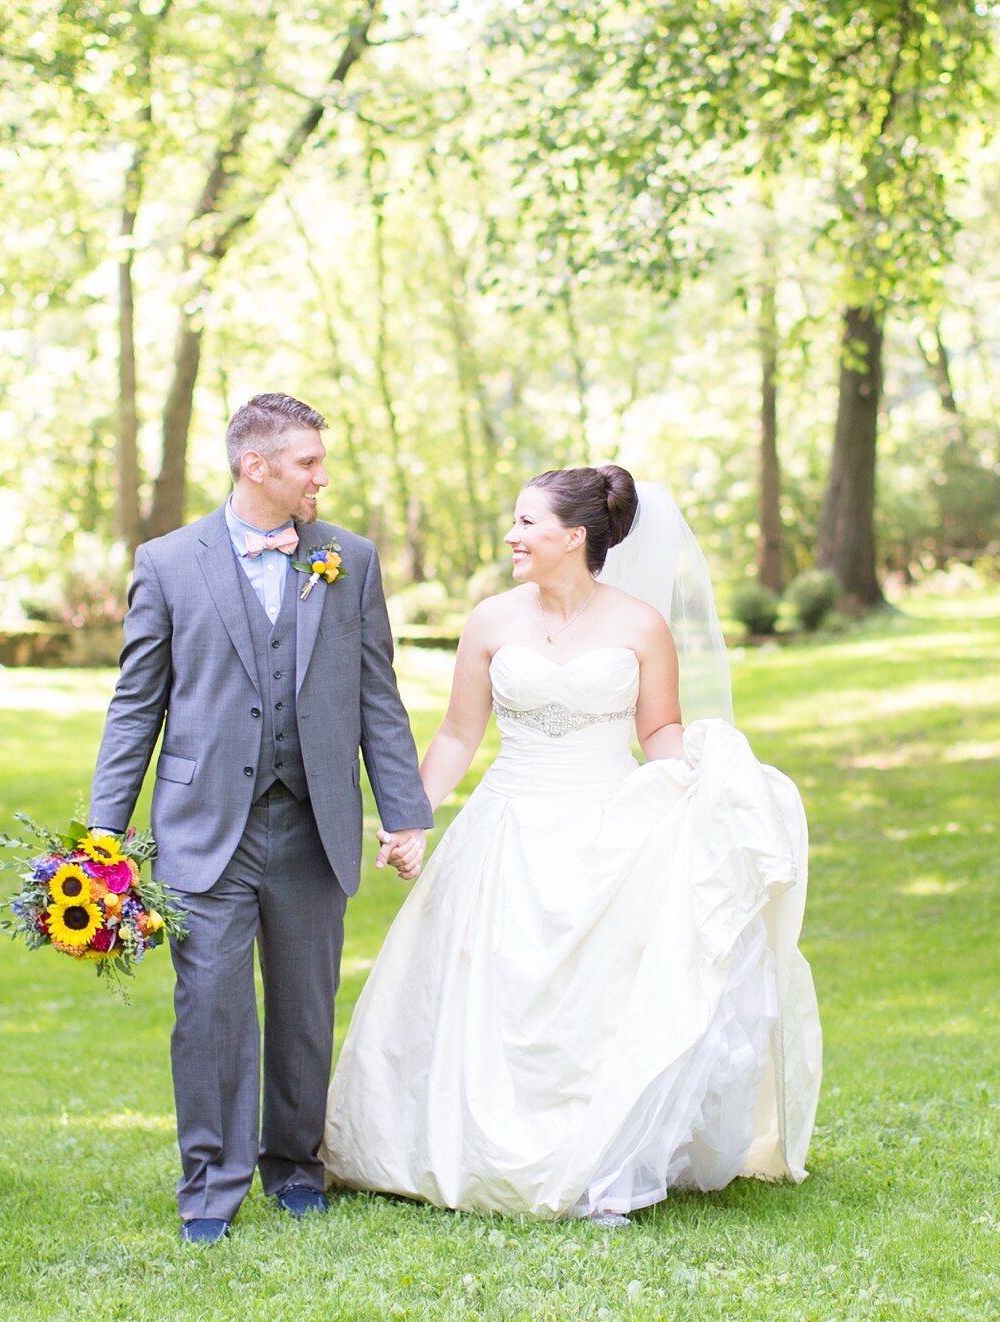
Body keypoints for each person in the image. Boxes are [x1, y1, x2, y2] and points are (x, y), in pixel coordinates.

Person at [322, 464, 821, 1225]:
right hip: (506, 826)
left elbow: (658, 730)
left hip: (608, 825)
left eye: (526, 522)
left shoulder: (639, 624)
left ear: (574, 536)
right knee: (486, 991)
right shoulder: (491, 620)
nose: (511, 535)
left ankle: (598, 1158)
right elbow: (460, 733)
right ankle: (456, 1148)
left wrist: (698, 790)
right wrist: (409, 817)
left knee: (600, 998)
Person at [88, 392, 432, 1244]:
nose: (323, 476)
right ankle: (210, 1184)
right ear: (258, 466)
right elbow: (136, 705)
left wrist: (404, 813)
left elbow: (377, 696)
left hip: (314, 821)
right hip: (204, 824)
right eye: (309, 462)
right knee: (209, 1007)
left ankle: (293, 1166)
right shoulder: (167, 563)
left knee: (307, 1006)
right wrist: (104, 832)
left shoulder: (348, 558)